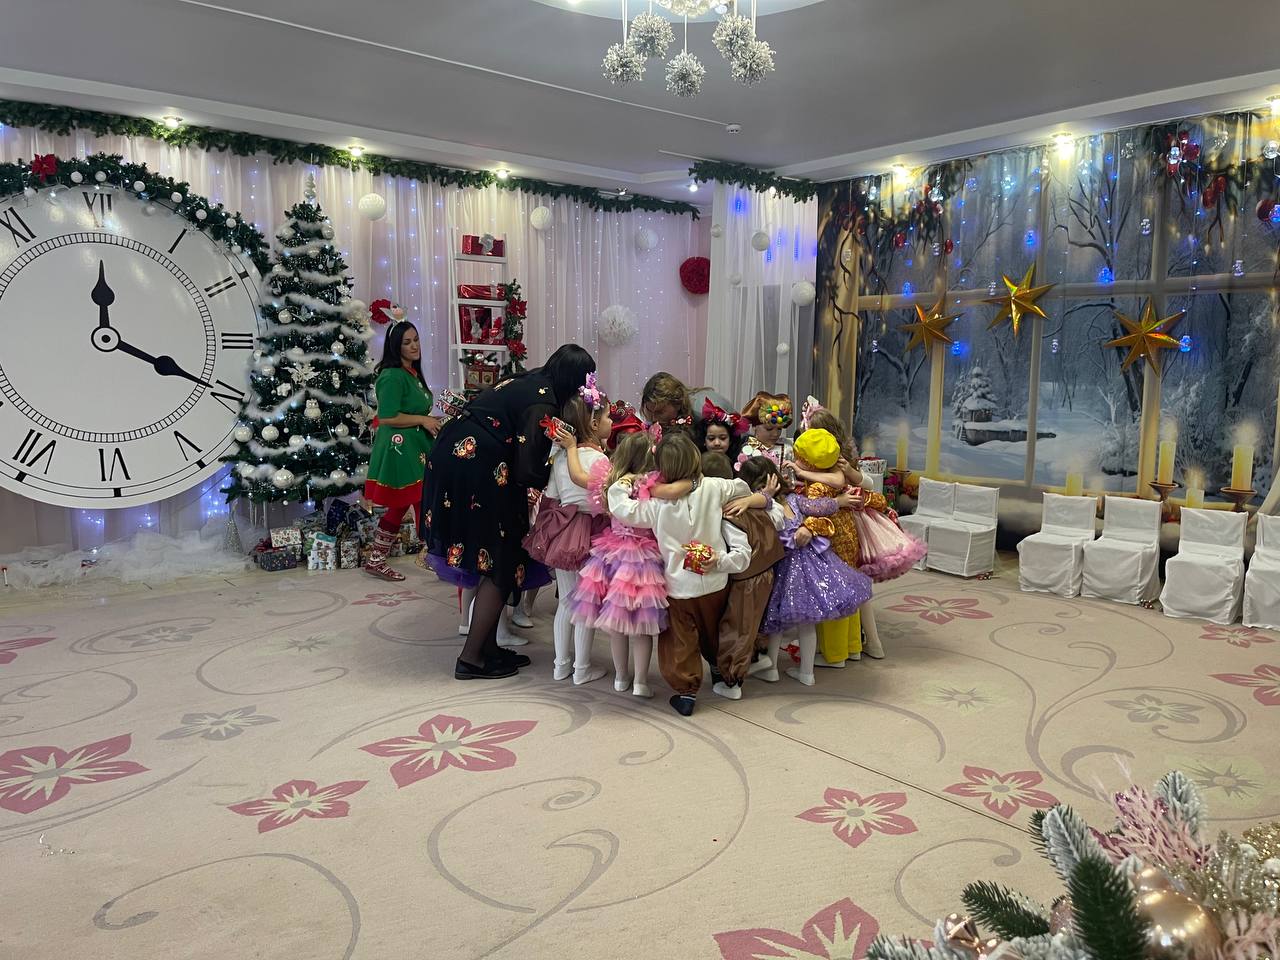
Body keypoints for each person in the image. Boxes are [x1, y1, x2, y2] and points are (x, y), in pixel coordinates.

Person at [423, 343, 596, 680]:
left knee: (496, 556)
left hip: (460, 457)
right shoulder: (543, 403)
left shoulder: (531, 380)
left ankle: (487, 649)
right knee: (500, 559)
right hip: (475, 467)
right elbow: (528, 469)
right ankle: (471, 658)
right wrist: (566, 465)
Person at [609, 432, 768, 717]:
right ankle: (722, 672)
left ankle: (686, 692)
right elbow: (742, 486)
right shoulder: (715, 487)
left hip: (679, 585)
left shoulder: (656, 505)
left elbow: (623, 509)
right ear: (696, 457)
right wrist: (698, 484)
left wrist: (624, 483)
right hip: (716, 578)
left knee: (680, 639)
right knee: (716, 630)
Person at [797, 401, 925, 660]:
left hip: (844, 520)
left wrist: (840, 475)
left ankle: (859, 644)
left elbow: (862, 483)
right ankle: (862, 643)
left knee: (850, 584)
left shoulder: (835, 461)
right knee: (856, 585)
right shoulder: (828, 458)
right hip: (841, 515)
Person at [743, 456, 873, 686]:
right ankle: (805, 672)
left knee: (776, 621)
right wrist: (839, 501)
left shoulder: (762, 507)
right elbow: (819, 507)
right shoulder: (793, 499)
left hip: (783, 568)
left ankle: (772, 669)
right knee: (806, 622)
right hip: (811, 564)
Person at [528, 375, 612, 684]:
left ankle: (560, 664)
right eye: (608, 417)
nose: (611, 421)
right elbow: (605, 500)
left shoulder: (561, 457)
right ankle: (582, 668)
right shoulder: (600, 459)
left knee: (566, 600)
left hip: (563, 530)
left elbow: (552, 496)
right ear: (593, 424)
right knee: (586, 602)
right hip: (593, 533)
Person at [570, 431, 667, 699]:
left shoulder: (613, 483)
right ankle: (640, 681)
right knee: (643, 627)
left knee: (617, 626)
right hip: (644, 557)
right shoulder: (653, 485)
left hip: (612, 554)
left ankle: (621, 677)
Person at [701, 452, 784, 700]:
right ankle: (757, 659)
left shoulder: (730, 512)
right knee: (752, 624)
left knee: (737, 628)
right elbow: (778, 519)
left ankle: (732, 682)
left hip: (747, 577)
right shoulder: (756, 504)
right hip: (766, 571)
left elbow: (740, 555)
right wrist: (765, 498)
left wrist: (718, 562)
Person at [363, 322, 441, 581]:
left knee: (404, 502)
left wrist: (431, 420)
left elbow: (413, 411)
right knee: (420, 498)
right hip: (400, 447)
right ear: (396, 347)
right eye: (407, 342)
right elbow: (387, 417)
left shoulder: (411, 374)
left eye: (416, 339)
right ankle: (434, 555)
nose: (414, 346)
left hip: (415, 446)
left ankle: (377, 559)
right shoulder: (392, 376)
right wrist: (423, 420)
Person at [790, 428, 866, 668]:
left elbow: (816, 512)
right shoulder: (835, 474)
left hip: (830, 543)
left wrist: (804, 519)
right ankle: (852, 647)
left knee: (833, 596)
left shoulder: (816, 486)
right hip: (849, 535)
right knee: (850, 593)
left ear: (806, 461)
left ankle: (834, 655)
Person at [741, 392, 795, 466]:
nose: (775, 434)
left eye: (779, 429)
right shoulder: (746, 449)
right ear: (754, 427)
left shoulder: (788, 448)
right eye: (769, 429)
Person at [698, 398, 749, 464]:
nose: (717, 443)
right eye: (711, 438)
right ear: (704, 440)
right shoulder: (697, 463)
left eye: (723, 438)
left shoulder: (739, 463)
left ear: (730, 440)